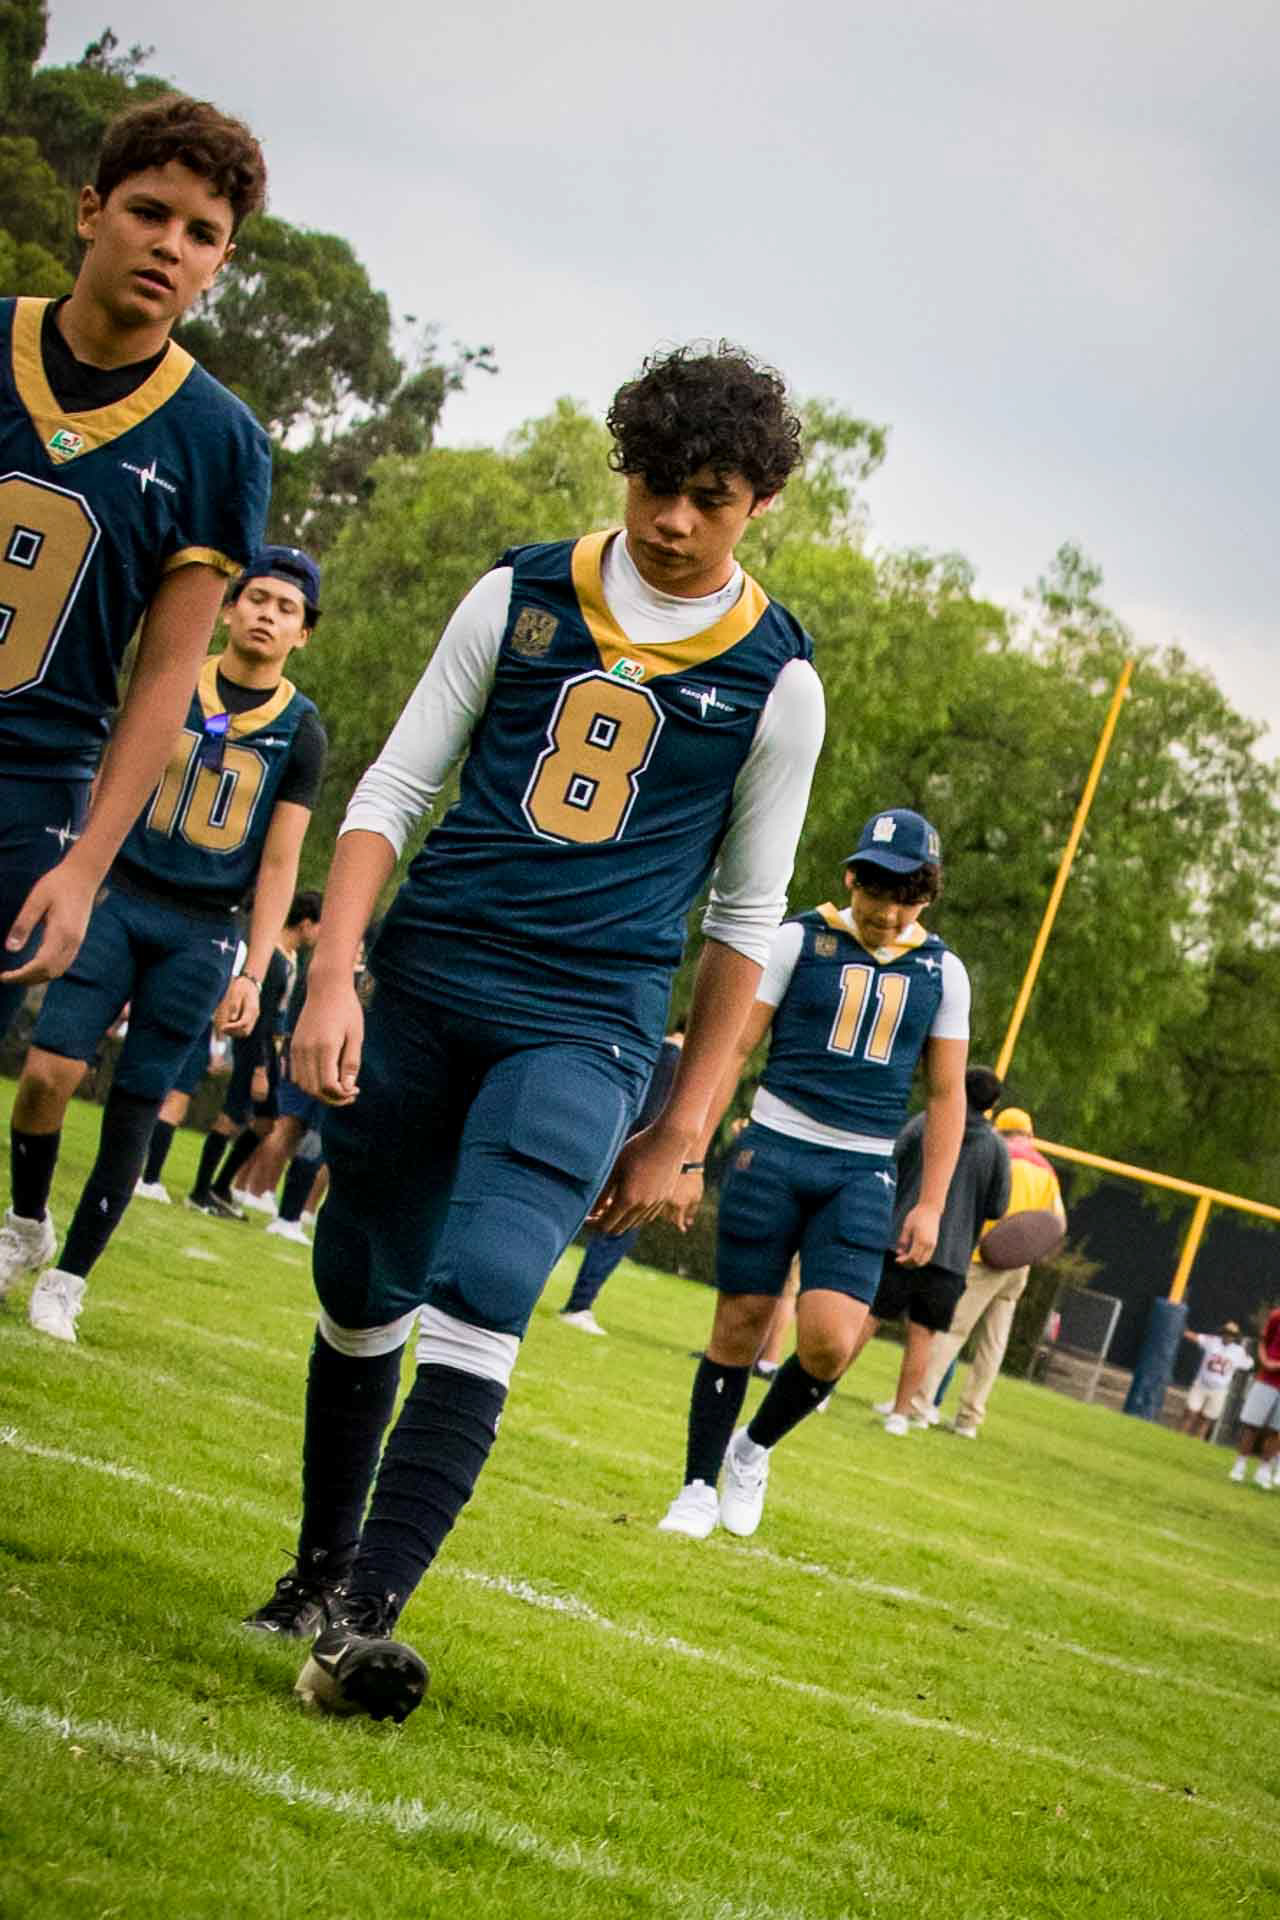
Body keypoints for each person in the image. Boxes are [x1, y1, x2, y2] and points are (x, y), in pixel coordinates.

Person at [243, 343, 826, 1726]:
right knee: (361, 1282)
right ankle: (322, 1564)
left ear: (759, 503)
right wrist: (332, 978)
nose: (671, 520)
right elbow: (393, 788)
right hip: (428, 978)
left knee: (495, 1275)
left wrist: (685, 1127)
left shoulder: (778, 678)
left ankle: (364, 1622)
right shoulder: (519, 590)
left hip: (587, 1019)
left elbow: (747, 921)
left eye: (709, 497)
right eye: (652, 483)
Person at [0, 551, 325, 1341]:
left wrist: (255, 970)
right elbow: (107, 777)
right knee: (46, 1074)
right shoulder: (175, 678)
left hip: (203, 928)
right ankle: (27, 1222)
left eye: (286, 607)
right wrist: (76, 873)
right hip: (119, 895)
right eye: (256, 597)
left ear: (303, 634)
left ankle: (70, 1281)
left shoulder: (301, 729)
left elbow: (279, 863)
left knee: (138, 1105)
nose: (266, 613)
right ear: (228, 608)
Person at [0, 93, 271, 1033]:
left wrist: (86, 867)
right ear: (91, 210)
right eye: (149, 212)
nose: (169, 246)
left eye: (201, 234)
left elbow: (165, 677)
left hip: (30, 790)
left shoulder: (219, 440)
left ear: (219, 264)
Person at [658, 806, 969, 1542]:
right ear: (853, 878)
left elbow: (946, 1094)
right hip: (774, 1147)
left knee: (831, 1341)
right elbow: (735, 1049)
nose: (889, 912)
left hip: (862, 1169)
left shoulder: (942, 971)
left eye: (908, 897)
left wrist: (931, 1204)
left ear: (926, 896)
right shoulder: (799, 939)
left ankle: (752, 1448)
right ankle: (697, 1486)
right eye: (879, 891)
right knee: (739, 1322)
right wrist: (689, 1154)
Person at [851, 1064, 1010, 1433]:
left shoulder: (927, 1122)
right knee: (922, 1336)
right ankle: (900, 1414)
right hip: (951, 1257)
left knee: (868, 1316)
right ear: (992, 1104)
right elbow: (998, 1206)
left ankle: (820, 1390)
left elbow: (891, 1156)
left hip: (903, 1239)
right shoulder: (996, 1148)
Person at [909, 1105, 1065, 1437]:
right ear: (1029, 1134)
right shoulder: (1047, 1170)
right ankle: (969, 1419)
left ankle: (918, 1404)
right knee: (993, 1344)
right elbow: (1057, 1224)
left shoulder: (999, 1155)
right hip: (1019, 1267)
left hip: (984, 1258)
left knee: (952, 1331)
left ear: (1000, 1130)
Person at [187, 891, 323, 1219]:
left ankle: (221, 1185)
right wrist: (261, 1066)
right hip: (256, 1047)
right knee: (233, 1113)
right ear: (306, 924)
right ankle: (200, 1191)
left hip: (273, 1050)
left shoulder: (292, 957)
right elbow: (263, 1018)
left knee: (266, 1121)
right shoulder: (273, 958)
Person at [558, 1026, 684, 1334]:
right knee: (617, 1228)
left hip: (603, 1135)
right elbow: (651, 1115)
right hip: (633, 1152)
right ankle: (579, 1304)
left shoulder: (647, 1044)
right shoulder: (676, 1060)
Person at [1227, 1305, 1280, 1487]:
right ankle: (1240, 1465)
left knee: (1277, 1430)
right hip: (1267, 1380)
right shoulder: (1277, 1315)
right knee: (1252, 1425)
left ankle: (1264, 1469)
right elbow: (1264, 1342)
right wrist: (1266, 1361)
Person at [1179, 1321, 1252, 1440]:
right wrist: (1182, 1330)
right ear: (1223, 1332)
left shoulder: (1239, 1351)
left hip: (1219, 1390)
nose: (1229, 1336)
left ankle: (1197, 1442)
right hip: (1201, 1384)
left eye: (1232, 1334)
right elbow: (1196, 1337)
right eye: (1227, 1333)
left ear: (1235, 1337)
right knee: (1190, 1413)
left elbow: (1249, 1364)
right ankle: (1180, 1438)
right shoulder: (1212, 1341)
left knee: (1206, 1419)